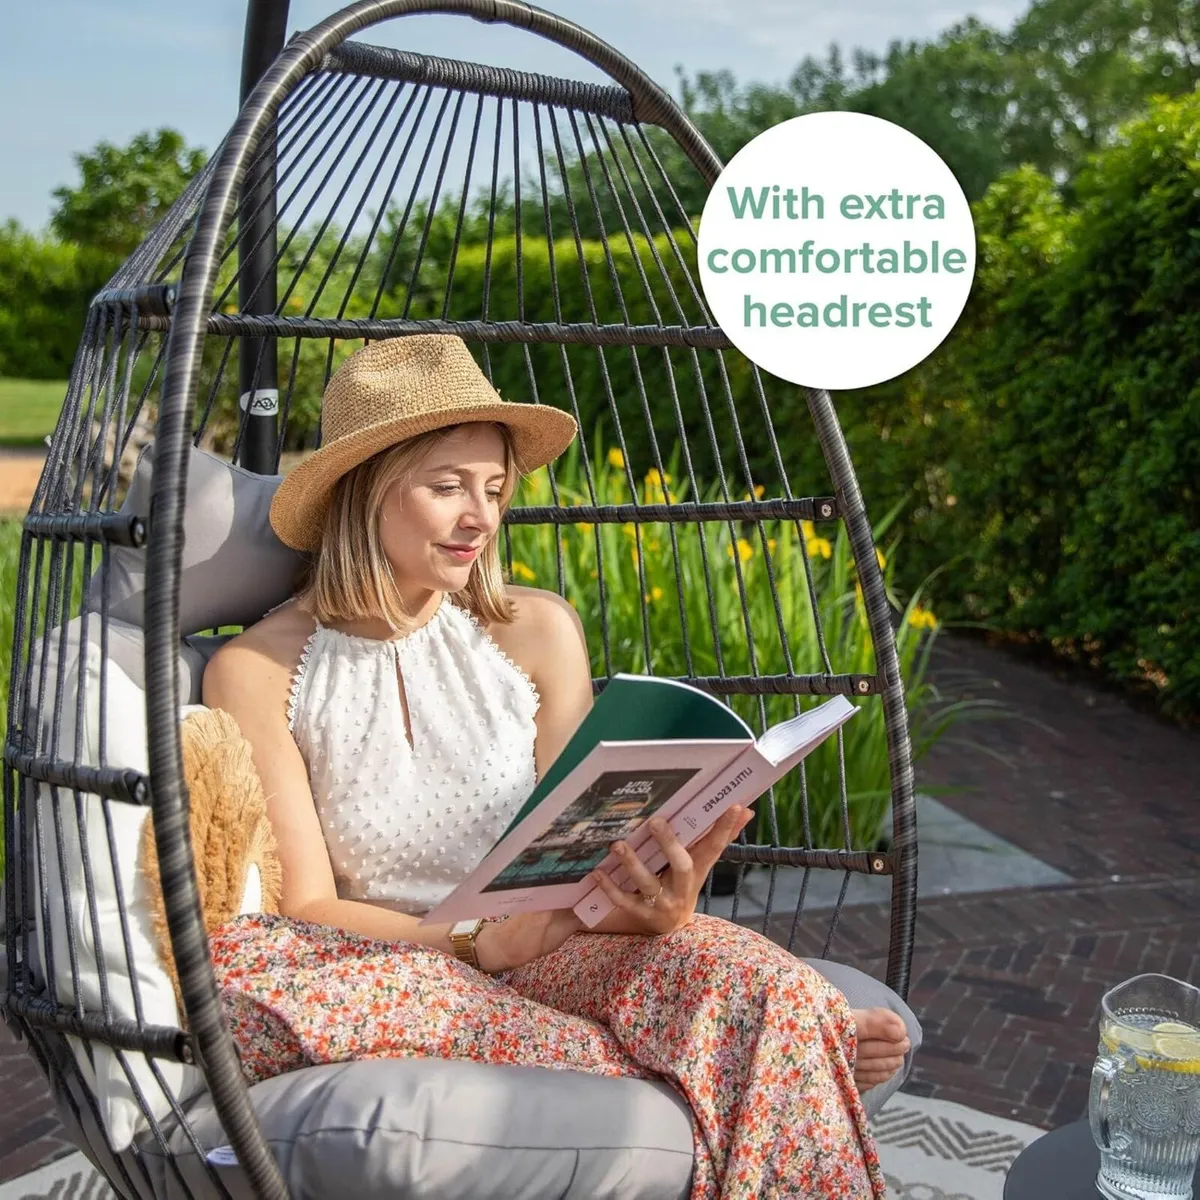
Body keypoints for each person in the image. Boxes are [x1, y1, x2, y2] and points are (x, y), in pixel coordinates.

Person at [202, 334, 910, 1199]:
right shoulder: (258, 669)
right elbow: (308, 907)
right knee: (284, 996)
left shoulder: (533, 632)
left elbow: (581, 828)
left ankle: (779, 1040)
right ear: (364, 488)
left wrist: (659, 897)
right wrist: (477, 942)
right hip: (402, 963)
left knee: (765, 985)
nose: (481, 517)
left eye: (494, 489)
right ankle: (784, 1058)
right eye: (447, 487)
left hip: (560, 945)